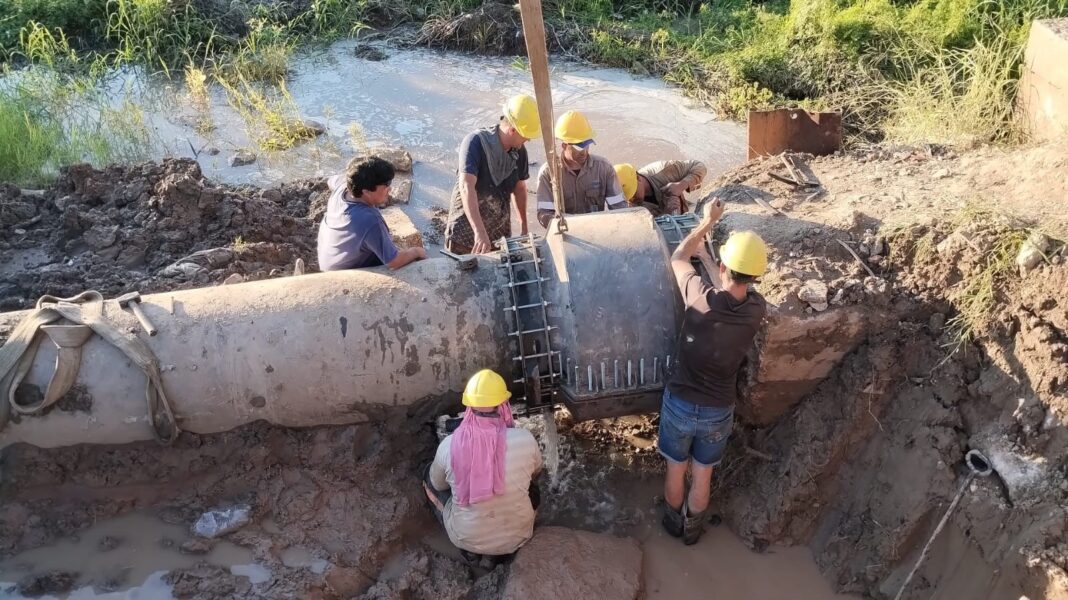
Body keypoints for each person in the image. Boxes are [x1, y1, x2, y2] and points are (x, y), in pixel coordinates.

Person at [658, 199, 768, 545]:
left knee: (676, 467)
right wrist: (710, 261)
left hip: (680, 402)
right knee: (702, 474)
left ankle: (672, 524)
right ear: (755, 276)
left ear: (722, 267)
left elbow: (678, 258)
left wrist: (705, 223)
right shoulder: (756, 310)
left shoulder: (698, 297)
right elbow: (731, 292)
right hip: (718, 409)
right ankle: (693, 531)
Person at [423, 369, 543, 560]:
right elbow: (537, 472)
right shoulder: (526, 439)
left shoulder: (449, 446)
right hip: (519, 536)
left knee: (430, 476)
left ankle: (471, 550)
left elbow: (438, 485)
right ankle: (505, 546)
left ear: (469, 407)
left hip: (465, 538)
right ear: (504, 405)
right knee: (532, 486)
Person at [444, 95, 541, 254]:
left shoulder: (520, 152)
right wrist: (479, 232)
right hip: (465, 234)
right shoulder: (475, 142)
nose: (528, 139)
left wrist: (524, 227)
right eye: (526, 135)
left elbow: (519, 188)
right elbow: (466, 186)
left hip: (499, 235)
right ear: (512, 130)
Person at [317, 156, 427, 271]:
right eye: (386, 185)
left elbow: (332, 180)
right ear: (366, 191)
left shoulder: (344, 188)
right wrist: (416, 251)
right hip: (343, 273)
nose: (390, 189)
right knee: (409, 263)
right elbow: (394, 262)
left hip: (330, 259)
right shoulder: (369, 220)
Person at [535, 110, 627, 228]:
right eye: (579, 147)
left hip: (597, 231)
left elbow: (620, 209)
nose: (584, 151)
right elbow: (544, 214)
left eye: (587, 144)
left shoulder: (604, 169)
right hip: (566, 234)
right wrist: (566, 225)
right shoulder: (549, 173)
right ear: (564, 145)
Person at [614, 160, 708, 217]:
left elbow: (699, 166)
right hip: (663, 229)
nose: (631, 200)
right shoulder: (627, 205)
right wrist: (666, 213)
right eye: (628, 197)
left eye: (633, 193)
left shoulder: (663, 170)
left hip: (684, 211)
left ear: (638, 178)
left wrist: (681, 185)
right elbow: (646, 233)